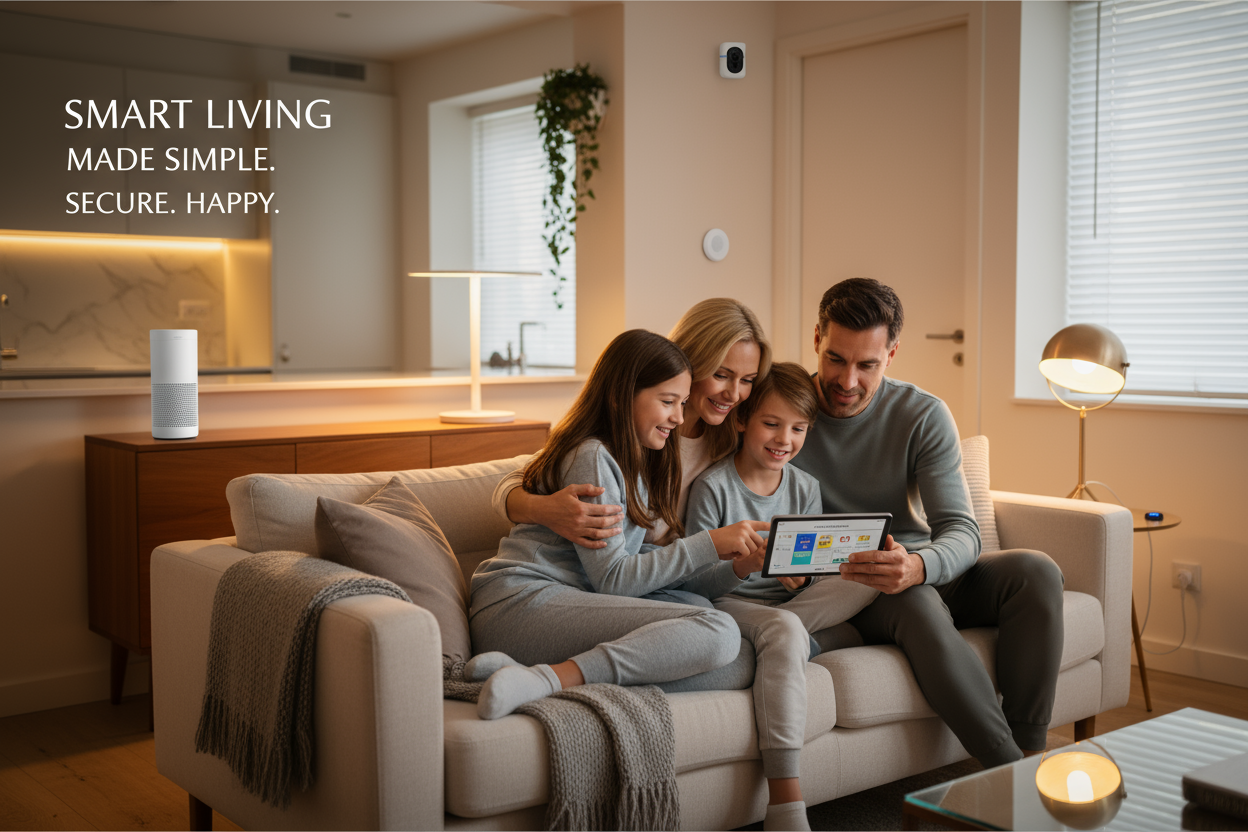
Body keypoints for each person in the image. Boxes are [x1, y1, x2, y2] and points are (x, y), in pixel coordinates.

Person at [793, 277, 1065, 766]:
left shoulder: (921, 414)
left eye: (867, 364)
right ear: (817, 339)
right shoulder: (784, 414)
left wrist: (917, 565)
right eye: (836, 358)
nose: (847, 381)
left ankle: (1031, 746)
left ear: (892, 355)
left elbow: (963, 530)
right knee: (915, 603)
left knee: (1036, 572)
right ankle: (1011, 773)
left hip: (921, 568)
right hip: (850, 585)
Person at [466, 329, 769, 719]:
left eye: (681, 403)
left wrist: (738, 568)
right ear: (620, 396)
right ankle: (551, 680)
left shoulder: (640, 460)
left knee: (740, 659)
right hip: (521, 603)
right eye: (667, 402)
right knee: (718, 630)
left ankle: (524, 674)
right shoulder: (593, 455)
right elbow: (613, 579)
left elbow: (648, 570)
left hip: (570, 604)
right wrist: (708, 542)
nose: (678, 417)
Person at [683, 362, 880, 832]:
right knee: (802, 630)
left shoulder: (805, 487)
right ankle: (786, 800)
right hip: (732, 602)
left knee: (869, 573)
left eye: (798, 429)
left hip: (791, 607)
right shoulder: (712, 487)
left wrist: (805, 579)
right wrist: (744, 565)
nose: (784, 439)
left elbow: (813, 565)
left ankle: (786, 645)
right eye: (772, 424)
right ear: (742, 421)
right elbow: (695, 583)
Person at [491, 297, 772, 548]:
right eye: (721, 375)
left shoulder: (733, 437)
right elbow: (520, 480)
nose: (735, 394)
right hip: (636, 572)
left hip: (674, 573)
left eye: (747, 380)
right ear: (689, 361)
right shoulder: (641, 425)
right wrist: (543, 509)